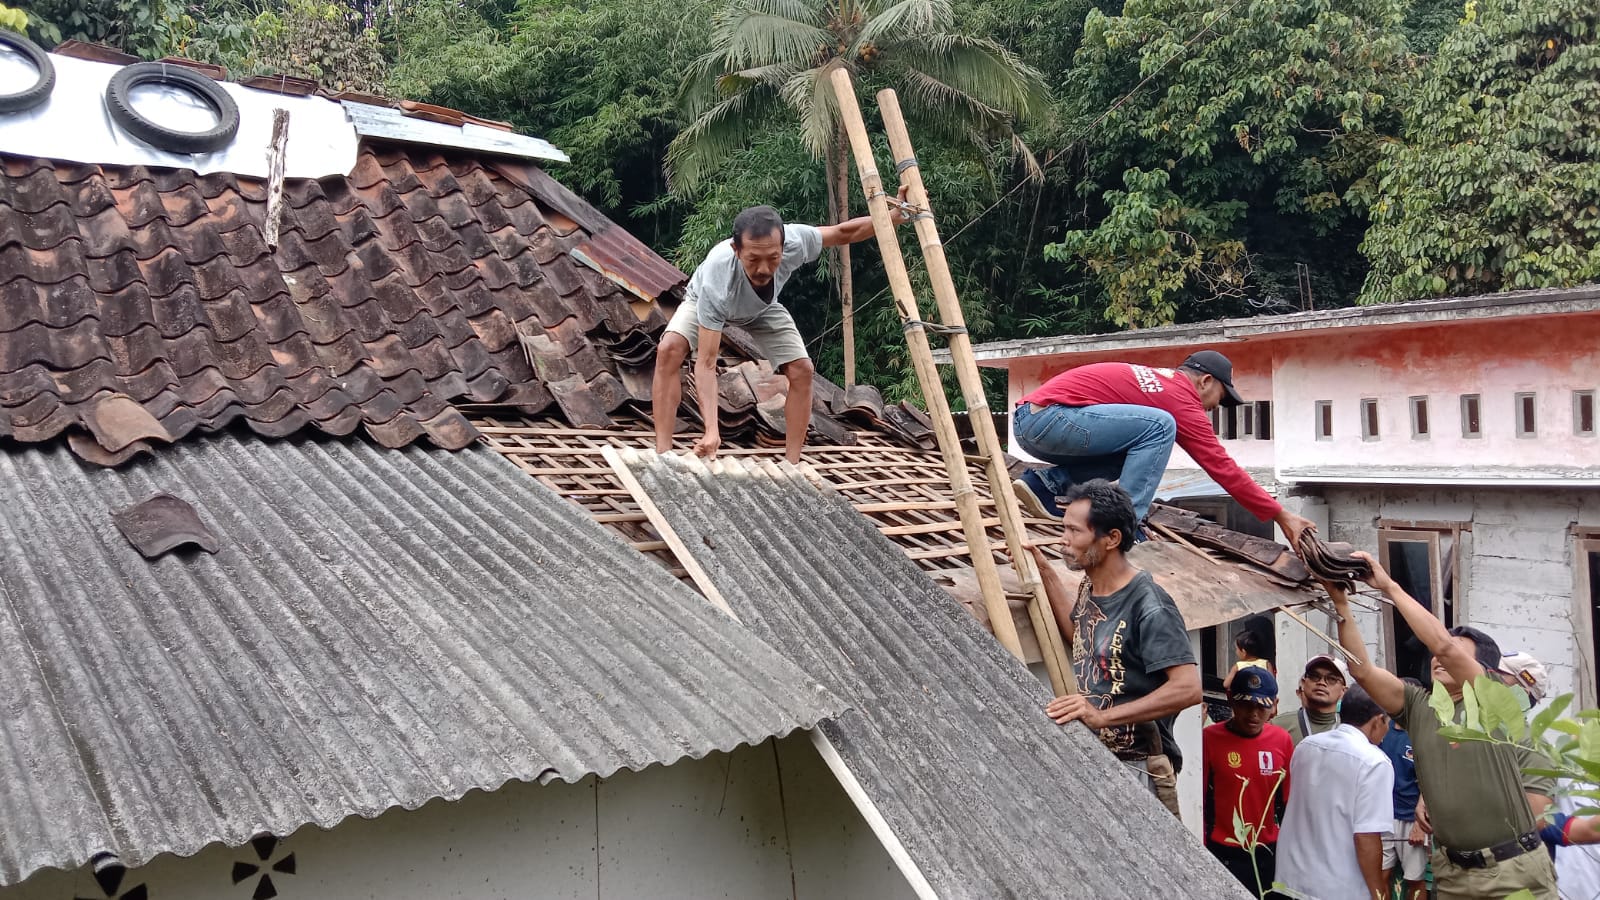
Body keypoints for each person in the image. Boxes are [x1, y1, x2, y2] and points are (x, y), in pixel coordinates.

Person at [1327, 554, 1558, 899]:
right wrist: (1340, 601)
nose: (1437, 657)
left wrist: (1389, 586)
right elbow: (1361, 670)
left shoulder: (1494, 702)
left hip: (1512, 872)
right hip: (1452, 871)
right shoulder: (1420, 706)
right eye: (1433, 655)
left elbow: (1444, 645)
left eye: (1452, 655)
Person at [652, 194, 911, 464]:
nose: (764, 269)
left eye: (772, 258)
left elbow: (844, 231)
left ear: (783, 246)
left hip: (762, 310)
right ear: (736, 250)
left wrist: (892, 217)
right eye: (753, 259)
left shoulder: (795, 241)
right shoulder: (718, 274)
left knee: (802, 370)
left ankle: (793, 463)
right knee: (669, 349)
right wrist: (712, 431)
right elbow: (705, 363)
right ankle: (663, 454)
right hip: (704, 303)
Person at [1009, 353, 1316, 545]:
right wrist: (1280, 515)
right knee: (1160, 427)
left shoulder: (1161, 383)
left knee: (1137, 449)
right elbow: (1223, 469)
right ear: (1206, 381)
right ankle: (1126, 523)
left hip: (1034, 422)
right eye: (1220, 400)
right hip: (1051, 419)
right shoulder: (1180, 397)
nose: (1214, 409)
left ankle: (1046, 483)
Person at [1028, 479, 1201, 816]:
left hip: (1139, 768)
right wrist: (1044, 572)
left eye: (1074, 532)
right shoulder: (1090, 586)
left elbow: (1188, 688)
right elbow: (1080, 637)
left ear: (1112, 539)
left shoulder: (1149, 605)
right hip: (1099, 760)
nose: (1064, 541)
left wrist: (1101, 716)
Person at [1276, 683, 1395, 900]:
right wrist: (1380, 893)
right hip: (1338, 889)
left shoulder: (1306, 747)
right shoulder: (1374, 762)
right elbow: (1366, 837)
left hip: (1289, 881)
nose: (1387, 730)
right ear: (1378, 721)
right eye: (1388, 722)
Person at [1203, 666, 1294, 896]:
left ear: (1274, 705)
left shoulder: (1281, 740)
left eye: (1262, 706)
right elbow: (1200, 799)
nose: (1253, 714)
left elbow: (1288, 801)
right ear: (1231, 700)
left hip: (1268, 852)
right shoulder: (1210, 738)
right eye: (1246, 704)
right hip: (1223, 851)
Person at [1378, 681, 1428, 900]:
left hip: (1410, 819)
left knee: (1414, 880)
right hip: (1382, 817)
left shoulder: (1422, 735)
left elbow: (1430, 782)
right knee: (1380, 875)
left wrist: (1420, 824)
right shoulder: (1381, 729)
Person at [1271, 654, 1351, 745]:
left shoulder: (1352, 731)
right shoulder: (1278, 726)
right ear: (1303, 683)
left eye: (1332, 679)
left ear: (1343, 691)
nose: (1321, 683)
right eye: (1314, 676)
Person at [1222, 625, 1276, 693]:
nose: (1236, 652)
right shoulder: (1266, 663)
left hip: (1243, 700)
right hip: (1261, 700)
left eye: (1237, 649)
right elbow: (1272, 683)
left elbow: (1226, 684)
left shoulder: (1238, 666)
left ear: (1244, 652)